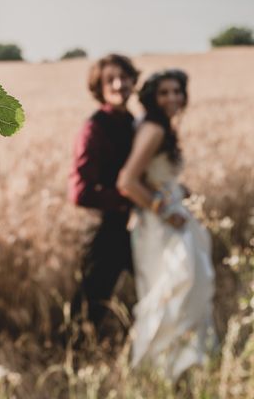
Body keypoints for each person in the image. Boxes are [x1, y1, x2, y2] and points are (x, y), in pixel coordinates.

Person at [117, 69, 216, 380]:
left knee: (186, 287)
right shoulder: (154, 129)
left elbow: (153, 175)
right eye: (164, 92)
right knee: (174, 288)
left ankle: (181, 366)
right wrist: (164, 209)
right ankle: (166, 367)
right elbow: (127, 182)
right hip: (161, 226)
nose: (173, 97)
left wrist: (177, 189)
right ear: (152, 97)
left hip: (170, 216)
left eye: (177, 91)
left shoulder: (160, 126)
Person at [68, 54, 140, 335]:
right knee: (89, 307)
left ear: (134, 81)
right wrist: (128, 199)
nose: (119, 84)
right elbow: (80, 192)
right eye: (110, 80)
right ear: (99, 88)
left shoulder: (133, 121)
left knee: (156, 288)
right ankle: (72, 362)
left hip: (137, 226)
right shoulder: (93, 128)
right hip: (105, 231)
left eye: (124, 77)